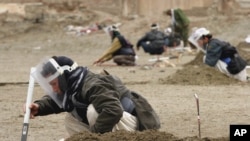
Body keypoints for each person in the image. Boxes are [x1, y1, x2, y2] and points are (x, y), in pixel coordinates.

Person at [24, 56, 160, 136]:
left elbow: (113, 110)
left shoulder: (92, 84)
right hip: (115, 121)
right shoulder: (73, 84)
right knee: (71, 119)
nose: (53, 89)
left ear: (64, 77)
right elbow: (58, 99)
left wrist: (92, 138)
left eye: (54, 83)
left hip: (137, 125)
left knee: (93, 111)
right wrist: (39, 107)